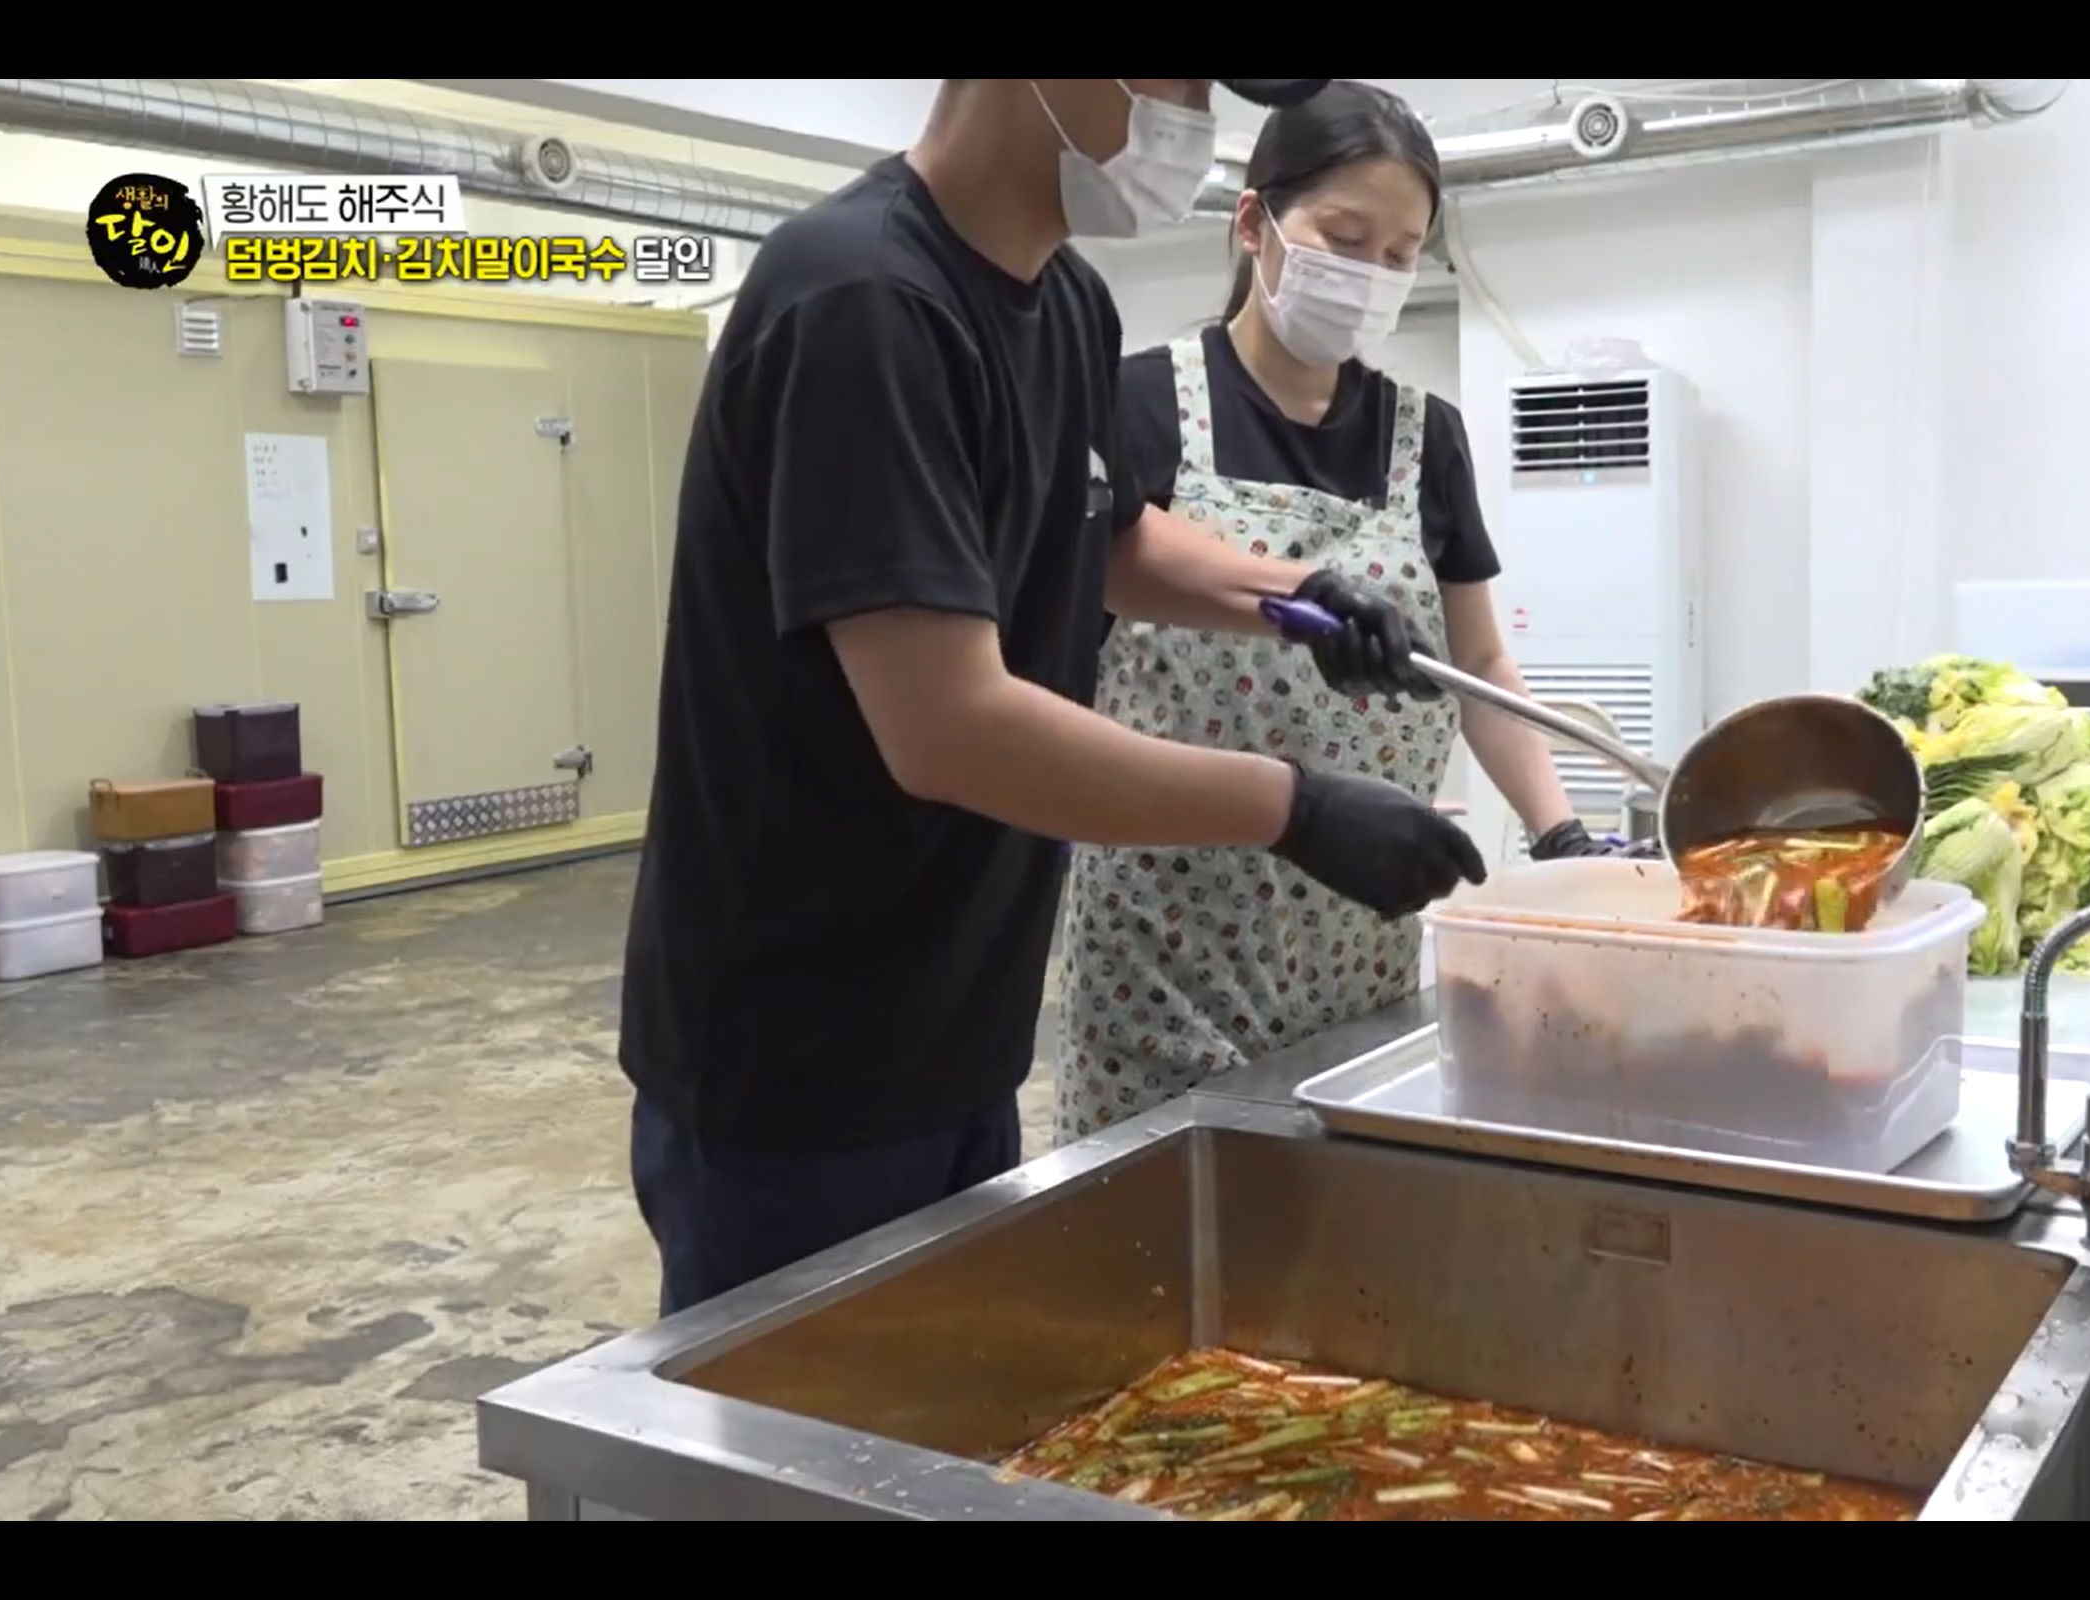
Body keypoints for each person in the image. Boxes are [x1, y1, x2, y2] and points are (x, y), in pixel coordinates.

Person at [620, 79, 1488, 1318]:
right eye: (1180, 81)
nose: (1191, 115)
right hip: (798, 1047)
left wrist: (1296, 593)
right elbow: (948, 725)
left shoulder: (1066, 303)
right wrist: (1291, 805)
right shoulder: (864, 300)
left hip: (958, 1015)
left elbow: (1104, 537)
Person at [1054, 83, 1619, 1142]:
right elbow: (1090, 599)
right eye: (1341, 236)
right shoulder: (1134, 403)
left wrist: (1561, 831)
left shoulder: (1426, 437)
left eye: (1400, 255)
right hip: (1163, 949)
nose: (1368, 275)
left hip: (1359, 934)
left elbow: (1479, 655)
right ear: (1253, 223)